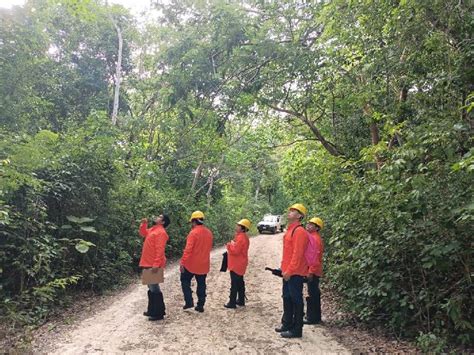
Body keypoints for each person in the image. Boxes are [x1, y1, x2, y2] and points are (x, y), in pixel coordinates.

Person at [275, 203, 309, 338]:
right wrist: (283, 269)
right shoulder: (290, 230)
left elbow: (298, 254)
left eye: (294, 211)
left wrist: (290, 270)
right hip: (287, 271)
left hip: (295, 272)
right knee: (287, 298)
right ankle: (287, 323)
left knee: (296, 300)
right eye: (290, 210)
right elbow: (288, 253)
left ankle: (297, 329)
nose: (290, 212)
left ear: (300, 216)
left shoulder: (299, 232)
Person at [138, 214, 170, 321]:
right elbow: (143, 233)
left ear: (163, 222)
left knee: (154, 287)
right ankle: (152, 310)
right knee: (150, 287)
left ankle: (158, 313)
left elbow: (160, 250)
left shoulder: (161, 232)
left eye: (160, 217)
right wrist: (144, 224)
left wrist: (156, 264)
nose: (157, 217)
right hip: (147, 262)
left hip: (153, 263)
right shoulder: (153, 229)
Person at [180, 211, 213, 312]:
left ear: (194, 221)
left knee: (185, 280)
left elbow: (188, 249)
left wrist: (182, 262)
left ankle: (189, 301)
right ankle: (200, 305)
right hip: (203, 263)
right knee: (201, 284)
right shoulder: (209, 232)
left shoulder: (193, 233)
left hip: (190, 264)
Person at [224, 219, 251, 309]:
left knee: (234, 284)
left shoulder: (241, 238)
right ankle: (241, 300)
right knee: (240, 283)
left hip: (236, 264)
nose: (236, 226)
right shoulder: (242, 237)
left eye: (238, 225)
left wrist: (229, 245)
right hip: (240, 263)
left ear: (243, 229)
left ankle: (232, 302)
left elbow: (235, 251)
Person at [305, 217, 324, 325]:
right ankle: (314, 316)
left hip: (313, 271)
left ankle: (313, 318)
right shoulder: (311, 237)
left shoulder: (315, 239)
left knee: (313, 294)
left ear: (317, 228)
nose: (308, 225)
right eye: (308, 224)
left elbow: (315, 257)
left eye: (312, 225)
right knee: (313, 293)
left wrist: (311, 271)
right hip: (312, 269)